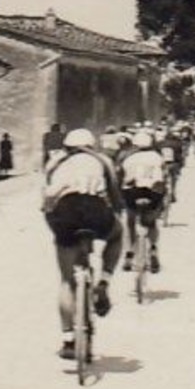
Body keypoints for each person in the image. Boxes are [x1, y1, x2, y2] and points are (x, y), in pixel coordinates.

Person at [42, 128, 125, 360]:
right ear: (92, 145)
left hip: (65, 212)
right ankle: (104, 283)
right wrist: (116, 212)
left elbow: (47, 200)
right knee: (117, 234)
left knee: (67, 281)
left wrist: (55, 229)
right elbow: (116, 198)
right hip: (95, 210)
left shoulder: (55, 162)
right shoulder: (102, 160)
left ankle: (68, 340)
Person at [118, 131, 168, 274]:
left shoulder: (128, 158)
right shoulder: (158, 158)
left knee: (130, 221)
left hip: (132, 193)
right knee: (151, 222)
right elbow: (163, 177)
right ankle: (153, 249)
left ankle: (128, 253)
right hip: (153, 192)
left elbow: (121, 178)